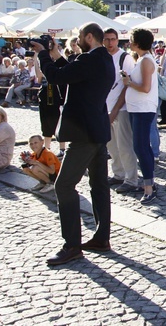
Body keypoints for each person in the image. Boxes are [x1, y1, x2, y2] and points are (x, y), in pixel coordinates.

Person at [34, 23, 115, 265]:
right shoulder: (102, 58)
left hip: (84, 135)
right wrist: (56, 55)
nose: (78, 40)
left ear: (89, 37)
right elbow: (72, 74)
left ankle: (72, 245)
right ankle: (101, 238)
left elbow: (58, 78)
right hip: (96, 130)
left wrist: (42, 55)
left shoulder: (90, 60)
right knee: (99, 186)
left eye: (80, 36)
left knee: (64, 186)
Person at [121, 28, 159, 203]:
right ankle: (149, 182)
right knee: (144, 148)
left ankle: (148, 188)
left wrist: (129, 82)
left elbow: (145, 87)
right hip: (137, 108)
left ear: (136, 43)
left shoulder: (146, 61)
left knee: (140, 147)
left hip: (143, 109)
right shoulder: (142, 59)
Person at [103, 28, 139, 194]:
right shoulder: (102, 57)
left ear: (117, 40)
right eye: (106, 39)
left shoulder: (125, 58)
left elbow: (127, 86)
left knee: (124, 145)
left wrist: (116, 109)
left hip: (121, 108)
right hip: (105, 107)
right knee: (111, 145)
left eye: (112, 39)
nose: (109, 43)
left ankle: (131, 179)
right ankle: (118, 173)